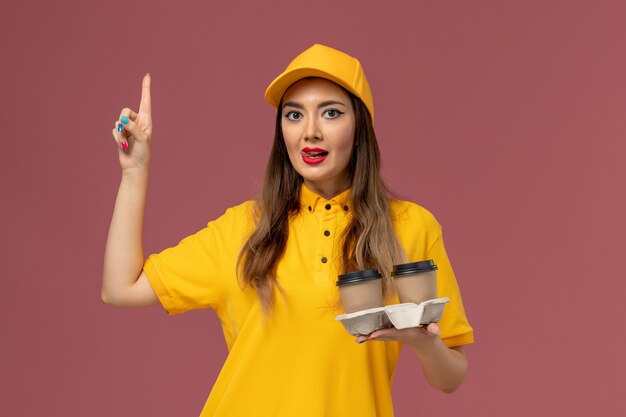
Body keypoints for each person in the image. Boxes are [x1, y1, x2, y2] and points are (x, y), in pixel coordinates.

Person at [102, 44, 474, 417]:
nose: (310, 132)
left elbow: (451, 376)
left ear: (360, 126)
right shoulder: (244, 228)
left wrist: (423, 343)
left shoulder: (411, 228)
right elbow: (120, 288)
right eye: (294, 115)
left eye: (331, 113)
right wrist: (135, 172)